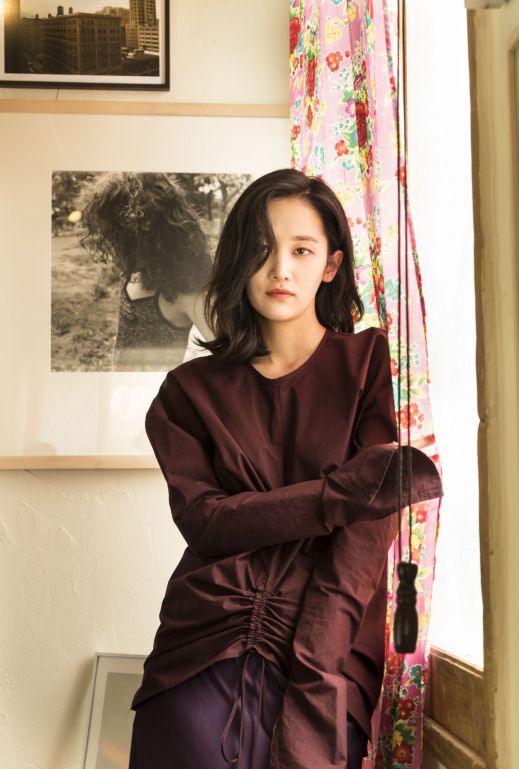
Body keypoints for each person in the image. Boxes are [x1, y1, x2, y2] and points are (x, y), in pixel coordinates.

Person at [128, 168, 443, 769]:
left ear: (330, 265)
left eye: (301, 250)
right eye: (262, 249)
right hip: (200, 649)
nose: (280, 270)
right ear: (237, 259)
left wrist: (318, 662)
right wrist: (337, 496)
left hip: (328, 657)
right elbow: (208, 523)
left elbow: (364, 537)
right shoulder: (186, 392)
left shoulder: (369, 365)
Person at [78, 172, 213, 371]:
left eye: (117, 237)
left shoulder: (186, 293)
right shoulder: (136, 273)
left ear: (147, 234)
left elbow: (235, 356)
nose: (112, 245)